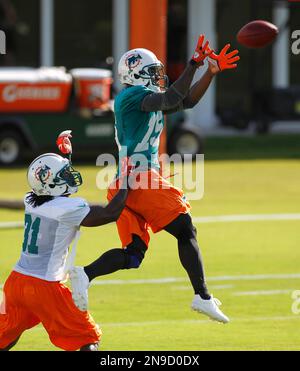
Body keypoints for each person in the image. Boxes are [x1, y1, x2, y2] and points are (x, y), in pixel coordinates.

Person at [70, 35, 240, 323]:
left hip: (127, 181)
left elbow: (185, 101)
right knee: (186, 229)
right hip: (139, 177)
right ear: (135, 74)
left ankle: (85, 274)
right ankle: (202, 296)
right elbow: (173, 97)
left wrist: (209, 72)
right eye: (152, 73)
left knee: (134, 254)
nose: (158, 77)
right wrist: (194, 63)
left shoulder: (144, 98)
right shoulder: (130, 96)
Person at [0, 153, 130, 351]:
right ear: (52, 183)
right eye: (64, 175)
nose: (70, 176)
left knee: (7, 334)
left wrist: (66, 156)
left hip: (16, 282)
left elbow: (51, 190)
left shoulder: (31, 199)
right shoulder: (66, 208)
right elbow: (109, 213)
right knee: (87, 337)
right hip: (45, 285)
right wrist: (127, 181)